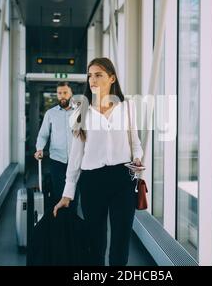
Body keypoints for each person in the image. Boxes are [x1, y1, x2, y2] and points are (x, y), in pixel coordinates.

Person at [53, 57, 143, 266]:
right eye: (90, 75)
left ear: (111, 78)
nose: (92, 79)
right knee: (95, 241)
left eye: (98, 75)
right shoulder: (81, 112)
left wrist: (137, 161)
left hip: (123, 180)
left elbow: (135, 142)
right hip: (92, 181)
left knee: (121, 241)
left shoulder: (127, 108)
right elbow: (76, 156)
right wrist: (68, 194)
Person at [34, 81, 77, 208]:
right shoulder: (50, 113)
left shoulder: (79, 113)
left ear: (71, 94)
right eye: (59, 93)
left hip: (76, 161)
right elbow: (43, 134)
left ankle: (72, 225)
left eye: (65, 92)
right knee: (58, 195)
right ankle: (59, 224)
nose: (62, 95)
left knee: (74, 196)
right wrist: (39, 149)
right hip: (57, 160)